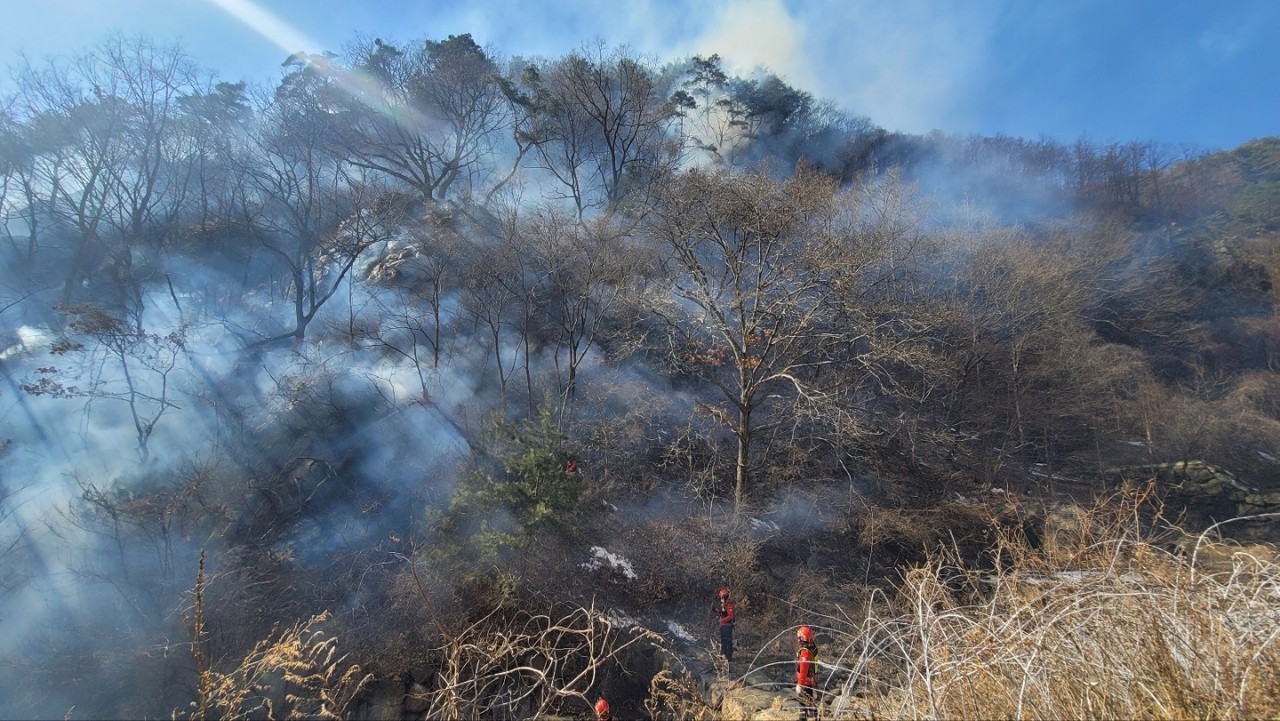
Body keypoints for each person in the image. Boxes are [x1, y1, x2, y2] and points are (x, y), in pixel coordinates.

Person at [796, 625, 818, 720]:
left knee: (803, 706)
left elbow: (803, 670)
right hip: (813, 680)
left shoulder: (805, 652)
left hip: (806, 683)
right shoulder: (813, 647)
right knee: (812, 704)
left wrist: (800, 685)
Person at [715, 587, 735, 662]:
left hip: (727, 627)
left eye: (722, 598)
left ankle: (728, 657)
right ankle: (723, 656)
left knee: (727, 642)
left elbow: (730, 616)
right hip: (723, 627)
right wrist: (718, 611)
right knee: (723, 642)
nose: (721, 599)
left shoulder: (729, 606)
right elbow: (724, 614)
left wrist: (722, 620)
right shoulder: (724, 606)